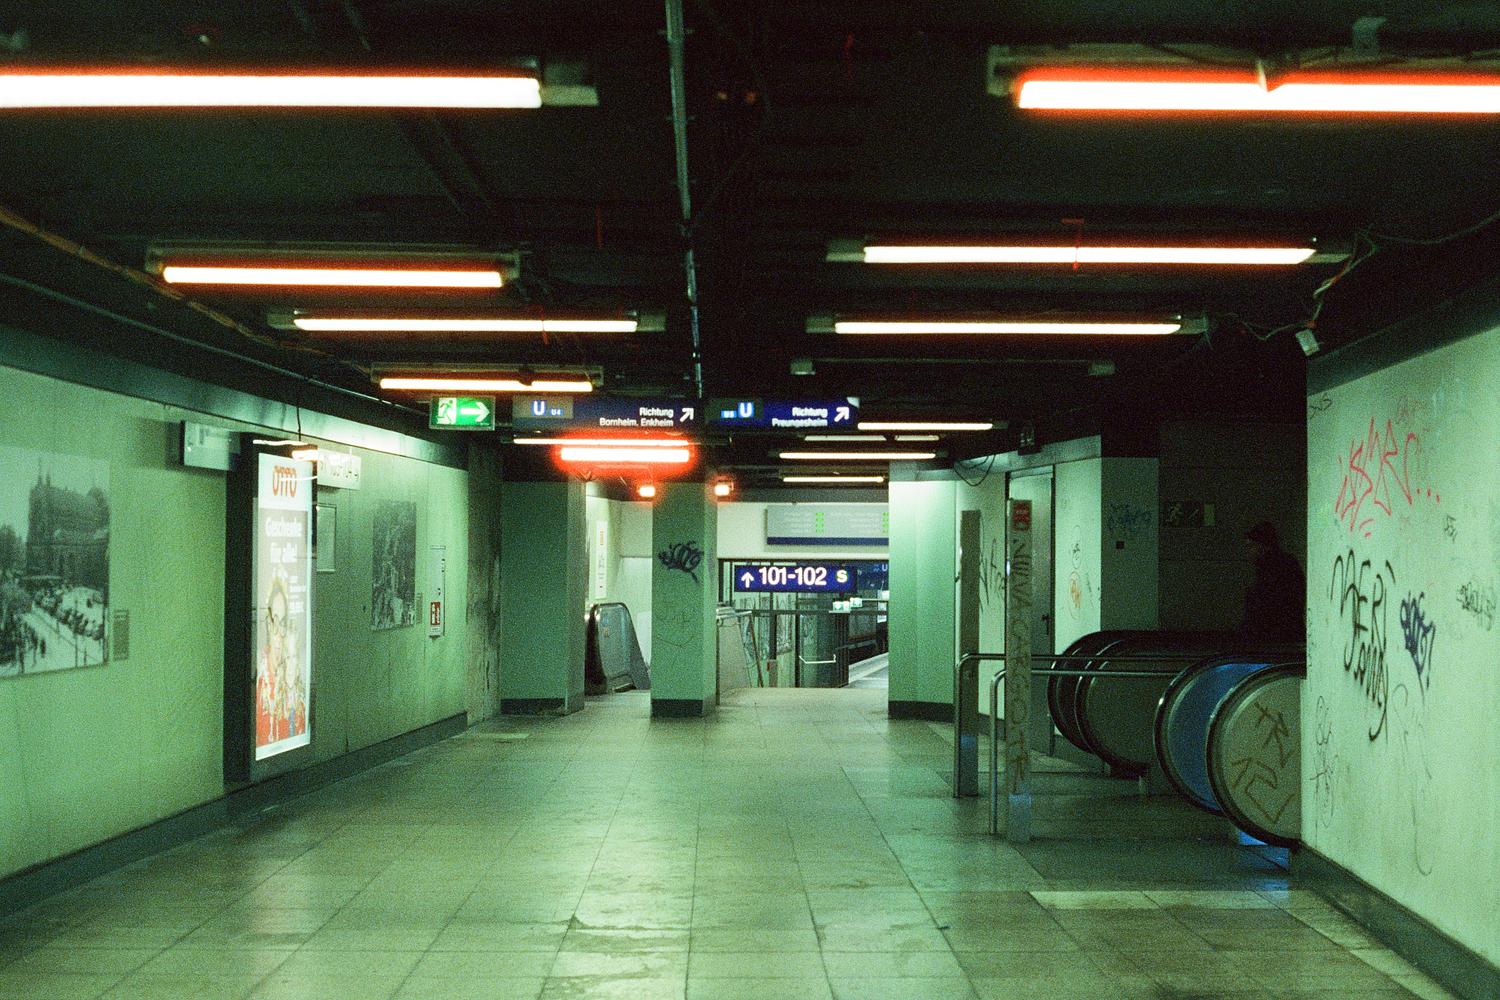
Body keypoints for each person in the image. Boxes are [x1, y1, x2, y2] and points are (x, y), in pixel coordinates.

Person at [1241, 521, 1305, 641]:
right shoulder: (1286, 563)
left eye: (1251, 546)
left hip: (1275, 635)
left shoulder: (1270, 569)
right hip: (1287, 632)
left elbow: (1267, 605)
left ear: (1263, 546)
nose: (1248, 551)